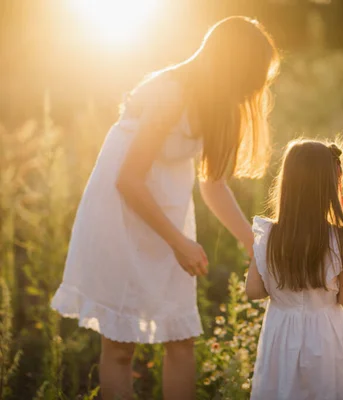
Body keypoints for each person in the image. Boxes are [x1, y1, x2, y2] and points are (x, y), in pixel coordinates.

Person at [51, 16, 279, 400]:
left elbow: (213, 184)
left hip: (168, 214)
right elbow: (128, 180)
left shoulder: (218, 104)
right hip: (122, 213)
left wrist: (253, 244)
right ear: (229, 67)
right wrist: (180, 244)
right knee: (121, 347)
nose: (249, 91)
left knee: (181, 338)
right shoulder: (171, 93)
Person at [245, 139, 343, 400]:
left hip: (281, 332)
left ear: (286, 182)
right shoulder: (340, 240)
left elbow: (253, 290)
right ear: (330, 185)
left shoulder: (267, 236)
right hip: (325, 334)